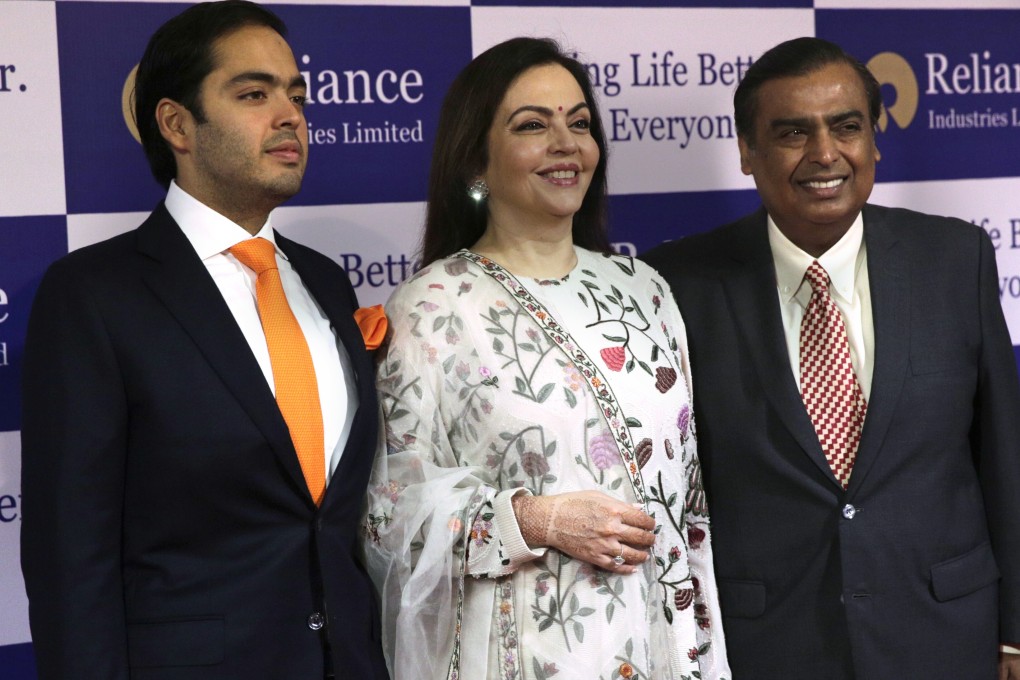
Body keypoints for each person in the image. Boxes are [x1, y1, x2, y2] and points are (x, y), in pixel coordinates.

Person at [19, 2, 388, 678]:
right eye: (254, 94)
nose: (290, 115)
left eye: (296, 95)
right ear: (176, 124)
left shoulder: (326, 283)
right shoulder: (94, 296)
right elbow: (70, 558)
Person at [642, 36, 1020, 679]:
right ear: (746, 152)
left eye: (846, 127)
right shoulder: (676, 282)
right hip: (766, 645)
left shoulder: (955, 258)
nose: (825, 154)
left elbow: (1004, 456)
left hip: (945, 636)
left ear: (874, 140)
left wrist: (1014, 632)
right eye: (792, 132)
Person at [362, 37, 730, 680]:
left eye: (580, 123)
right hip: (523, 653)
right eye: (534, 124)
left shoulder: (643, 290)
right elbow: (390, 517)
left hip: (663, 648)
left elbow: (689, 510)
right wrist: (537, 519)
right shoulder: (432, 306)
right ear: (476, 160)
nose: (567, 143)